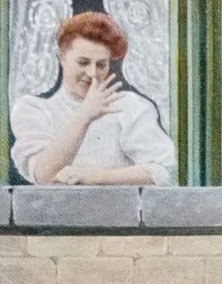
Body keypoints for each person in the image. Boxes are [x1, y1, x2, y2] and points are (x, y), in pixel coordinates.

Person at [10, 11, 176, 186]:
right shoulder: (33, 109)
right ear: (61, 57)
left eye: (101, 65)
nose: (92, 73)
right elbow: (43, 175)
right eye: (83, 62)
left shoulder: (130, 106)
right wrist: (84, 115)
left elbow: (162, 171)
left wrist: (91, 177)